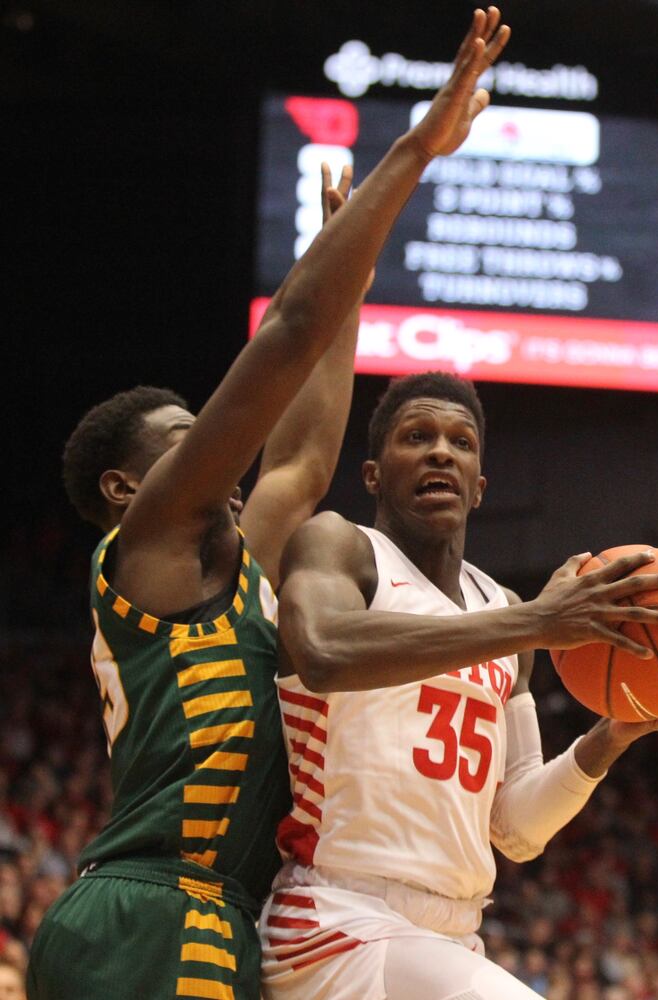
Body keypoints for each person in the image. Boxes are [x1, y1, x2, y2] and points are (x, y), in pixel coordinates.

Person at [27, 10, 511, 999]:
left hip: (215, 915)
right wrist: (414, 151)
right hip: (153, 907)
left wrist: (352, 267)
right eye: (183, 440)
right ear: (130, 488)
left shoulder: (230, 566)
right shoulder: (152, 545)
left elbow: (305, 451)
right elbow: (287, 333)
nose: (219, 452)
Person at [259, 371, 658, 1000]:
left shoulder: (497, 606)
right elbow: (323, 651)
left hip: (451, 933)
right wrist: (533, 621)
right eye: (416, 436)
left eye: (461, 442)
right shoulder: (342, 548)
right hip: (336, 921)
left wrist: (612, 737)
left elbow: (517, 830)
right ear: (373, 475)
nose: (440, 450)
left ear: (478, 488)